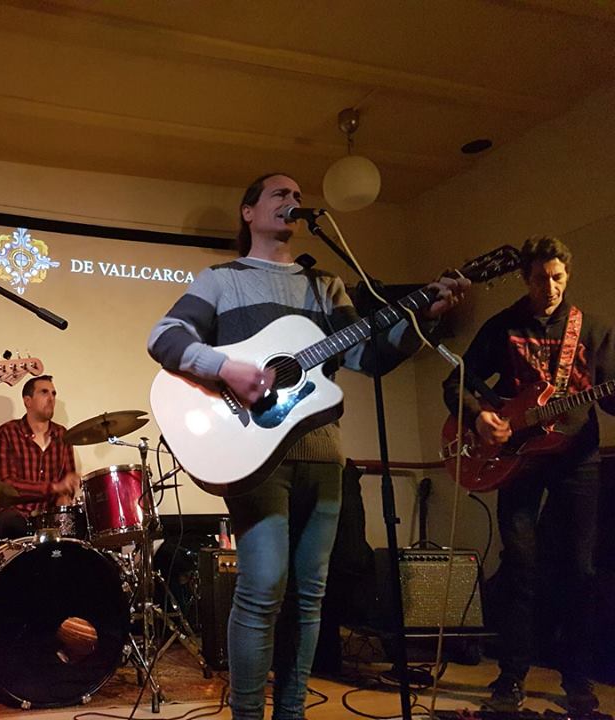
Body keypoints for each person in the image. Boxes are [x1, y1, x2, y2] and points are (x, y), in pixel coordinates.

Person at [147, 172, 468, 720]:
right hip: (254, 459)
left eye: (298, 196)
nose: (293, 202)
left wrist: (424, 319)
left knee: (310, 595)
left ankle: (292, 712)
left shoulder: (326, 286)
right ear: (249, 212)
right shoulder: (221, 280)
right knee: (262, 588)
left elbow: (367, 357)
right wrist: (225, 367)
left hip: (323, 454)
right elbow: (165, 336)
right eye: (280, 194)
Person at [442, 236, 615, 714]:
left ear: (568, 275)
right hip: (516, 458)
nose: (551, 288)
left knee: (579, 569)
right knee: (520, 565)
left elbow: (610, 401)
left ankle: (576, 678)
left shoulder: (593, 329)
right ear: (526, 278)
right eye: (541, 279)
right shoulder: (503, 327)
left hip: (578, 458)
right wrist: (479, 416)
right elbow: (456, 381)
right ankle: (511, 677)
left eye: (558, 278)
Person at [0, 374, 81, 546]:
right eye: (44, 392)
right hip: (17, 514)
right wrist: (53, 487)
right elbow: (7, 485)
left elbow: (68, 480)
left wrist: (65, 495)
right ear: (27, 401)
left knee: (81, 527)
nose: (51, 398)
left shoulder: (62, 434)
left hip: (49, 517)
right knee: (10, 522)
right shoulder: (7, 432)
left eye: (53, 393)